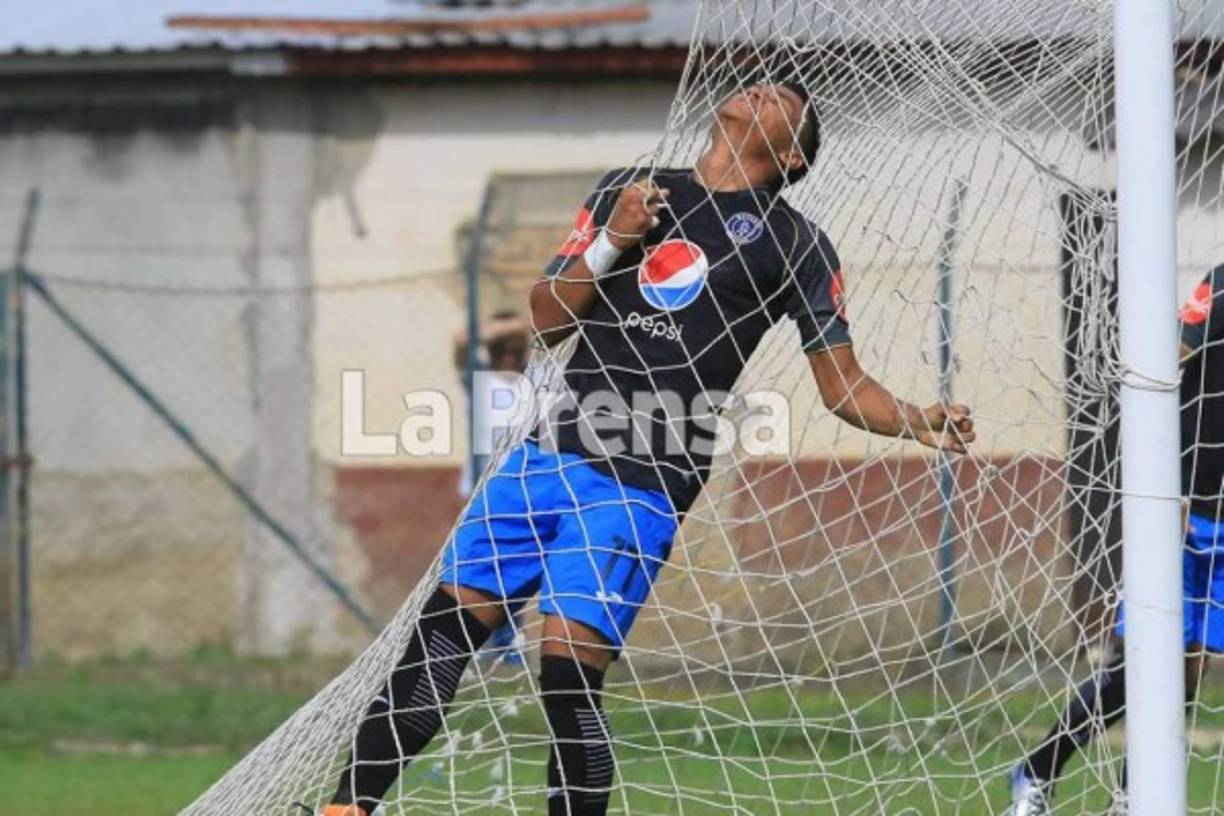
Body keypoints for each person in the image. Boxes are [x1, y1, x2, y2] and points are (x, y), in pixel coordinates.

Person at [322, 80, 975, 816]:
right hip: (545, 455)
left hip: (641, 481)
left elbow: (842, 384)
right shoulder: (629, 191)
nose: (761, 89)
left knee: (566, 676)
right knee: (439, 641)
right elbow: (547, 319)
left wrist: (920, 419)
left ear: (793, 154)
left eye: (783, 100)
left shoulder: (795, 244)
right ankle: (348, 807)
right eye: (759, 84)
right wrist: (613, 240)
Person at [1007, 265, 1224, 816]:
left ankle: (1132, 796)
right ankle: (1038, 771)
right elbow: (1172, 355)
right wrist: (1163, 482)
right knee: (1147, 660)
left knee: (1189, 667)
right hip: (1185, 503)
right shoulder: (1222, 283)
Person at [451, 310, 531, 665]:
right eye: (504, 347)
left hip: (525, 486)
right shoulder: (479, 379)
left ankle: (510, 640)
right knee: (482, 563)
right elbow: (460, 340)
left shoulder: (536, 380)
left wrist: (519, 329)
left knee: (517, 565)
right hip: (484, 486)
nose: (511, 355)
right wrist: (504, 327)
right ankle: (483, 639)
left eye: (517, 348)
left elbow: (537, 330)